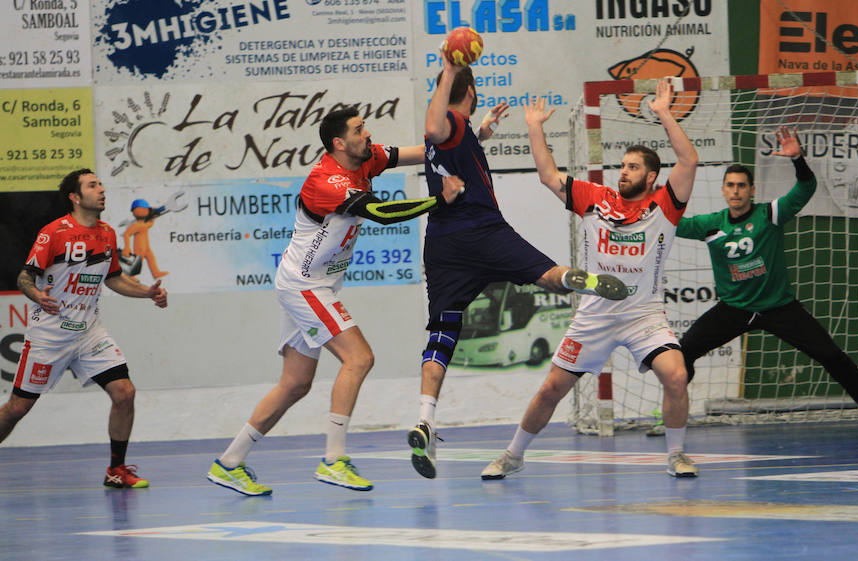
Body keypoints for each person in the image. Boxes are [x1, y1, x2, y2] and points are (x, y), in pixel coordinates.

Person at [206, 107, 465, 496]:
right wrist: (438, 202)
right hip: (305, 286)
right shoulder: (325, 182)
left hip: (311, 284)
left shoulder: (367, 157)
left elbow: (420, 150)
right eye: (360, 130)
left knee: (294, 384)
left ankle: (228, 462)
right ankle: (334, 460)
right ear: (338, 143)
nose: (368, 134)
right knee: (359, 358)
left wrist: (467, 138)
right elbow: (380, 213)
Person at [407, 51, 629, 480]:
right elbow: (436, 125)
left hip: (442, 245)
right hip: (482, 232)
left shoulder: (458, 134)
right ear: (468, 91)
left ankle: (425, 419)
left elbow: (444, 140)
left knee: (442, 333)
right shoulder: (448, 124)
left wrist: (482, 132)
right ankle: (581, 279)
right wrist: (451, 69)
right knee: (547, 277)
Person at [481, 77, 701, 480]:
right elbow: (549, 177)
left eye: (633, 167)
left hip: (643, 315)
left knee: (677, 374)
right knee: (551, 389)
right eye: (623, 166)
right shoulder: (596, 200)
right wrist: (535, 126)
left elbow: (688, 161)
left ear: (651, 177)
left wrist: (664, 113)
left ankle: (676, 455)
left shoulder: (665, 205)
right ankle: (513, 455)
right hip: (595, 315)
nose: (624, 172)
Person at [676, 126, 858, 427]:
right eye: (731, 185)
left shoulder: (769, 214)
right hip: (734, 310)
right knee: (681, 353)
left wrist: (798, 160)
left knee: (831, 354)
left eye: (742, 185)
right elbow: (670, 222)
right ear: (723, 190)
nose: (736, 191)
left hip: (779, 307)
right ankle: (671, 413)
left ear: (752, 190)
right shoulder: (710, 224)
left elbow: (805, 188)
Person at [0, 168, 168, 488]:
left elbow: (114, 278)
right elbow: (25, 276)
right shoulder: (55, 233)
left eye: (101, 184)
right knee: (17, 408)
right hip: (49, 334)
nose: (101, 189)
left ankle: (115, 470)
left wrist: (148, 292)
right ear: (75, 197)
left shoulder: (106, 233)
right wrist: (37, 295)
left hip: (89, 332)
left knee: (124, 392)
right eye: (93, 185)